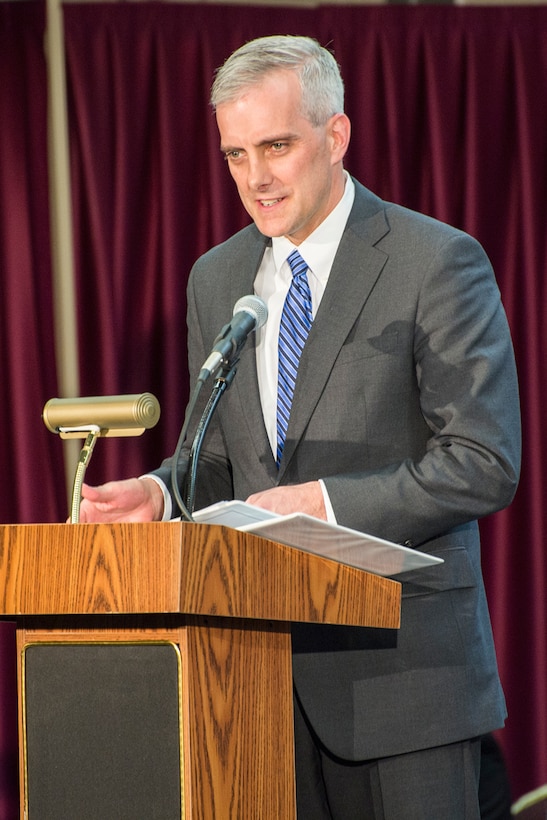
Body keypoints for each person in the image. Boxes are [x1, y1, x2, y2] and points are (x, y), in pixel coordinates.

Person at [79, 35, 521, 818]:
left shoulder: (434, 261)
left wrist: (322, 504)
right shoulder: (216, 278)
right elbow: (214, 458)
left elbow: (483, 461)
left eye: (277, 146)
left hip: (405, 682)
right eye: (235, 154)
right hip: (253, 685)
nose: (256, 178)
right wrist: (157, 490)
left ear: (336, 135)